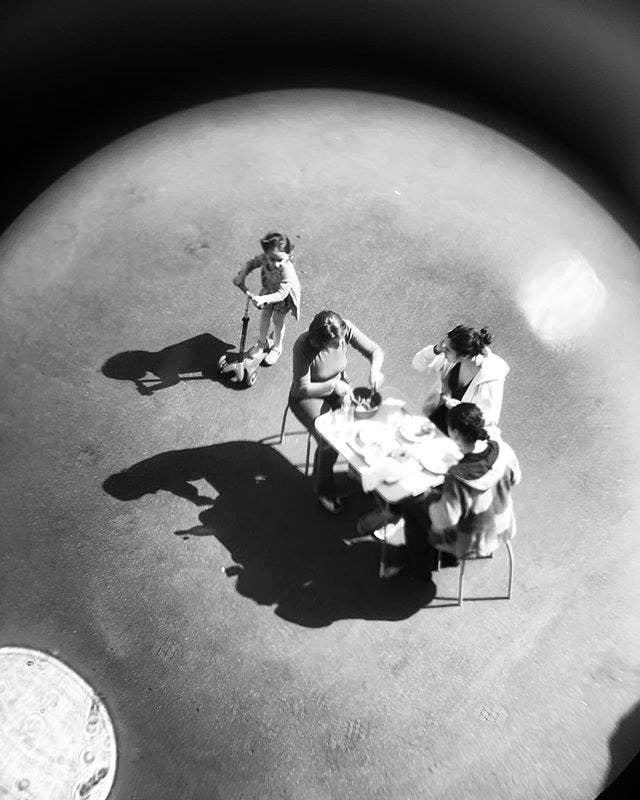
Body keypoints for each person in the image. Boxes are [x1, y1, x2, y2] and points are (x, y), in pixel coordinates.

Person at [384, 402, 521, 580]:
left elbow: (444, 520)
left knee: (411, 507)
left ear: (454, 433)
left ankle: (420, 567)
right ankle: (435, 557)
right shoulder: (503, 450)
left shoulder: (458, 478)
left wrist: (429, 498)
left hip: (470, 539)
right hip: (503, 523)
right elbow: (515, 479)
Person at [289, 310, 384, 513]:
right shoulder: (303, 346)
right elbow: (302, 388)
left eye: (341, 339)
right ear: (319, 342)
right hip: (307, 397)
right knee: (330, 441)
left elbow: (375, 350)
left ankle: (353, 468)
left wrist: (375, 370)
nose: (340, 343)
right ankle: (323, 491)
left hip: (338, 390)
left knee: (359, 423)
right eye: (334, 343)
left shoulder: (343, 329)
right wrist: (333, 385)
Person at [412, 325, 509, 435]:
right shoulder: (449, 359)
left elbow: (491, 418)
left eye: (447, 349)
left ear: (464, 355)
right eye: (444, 343)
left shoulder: (490, 378)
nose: (443, 349)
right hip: (435, 415)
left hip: (459, 432)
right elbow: (417, 365)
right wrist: (435, 350)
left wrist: (461, 410)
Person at [232, 231, 301, 365]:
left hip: (283, 298)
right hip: (269, 290)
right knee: (264, 317)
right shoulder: (265, 258)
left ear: (288, 255)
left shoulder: (287, 270)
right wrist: (242, 274)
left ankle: (277, 347)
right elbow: (252, 263)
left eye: (280, 259)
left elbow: (282, 293)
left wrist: (263, 299)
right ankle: (262, 343)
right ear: (266, 254)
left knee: (277, 320)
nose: (275, 264)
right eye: (272, 259)